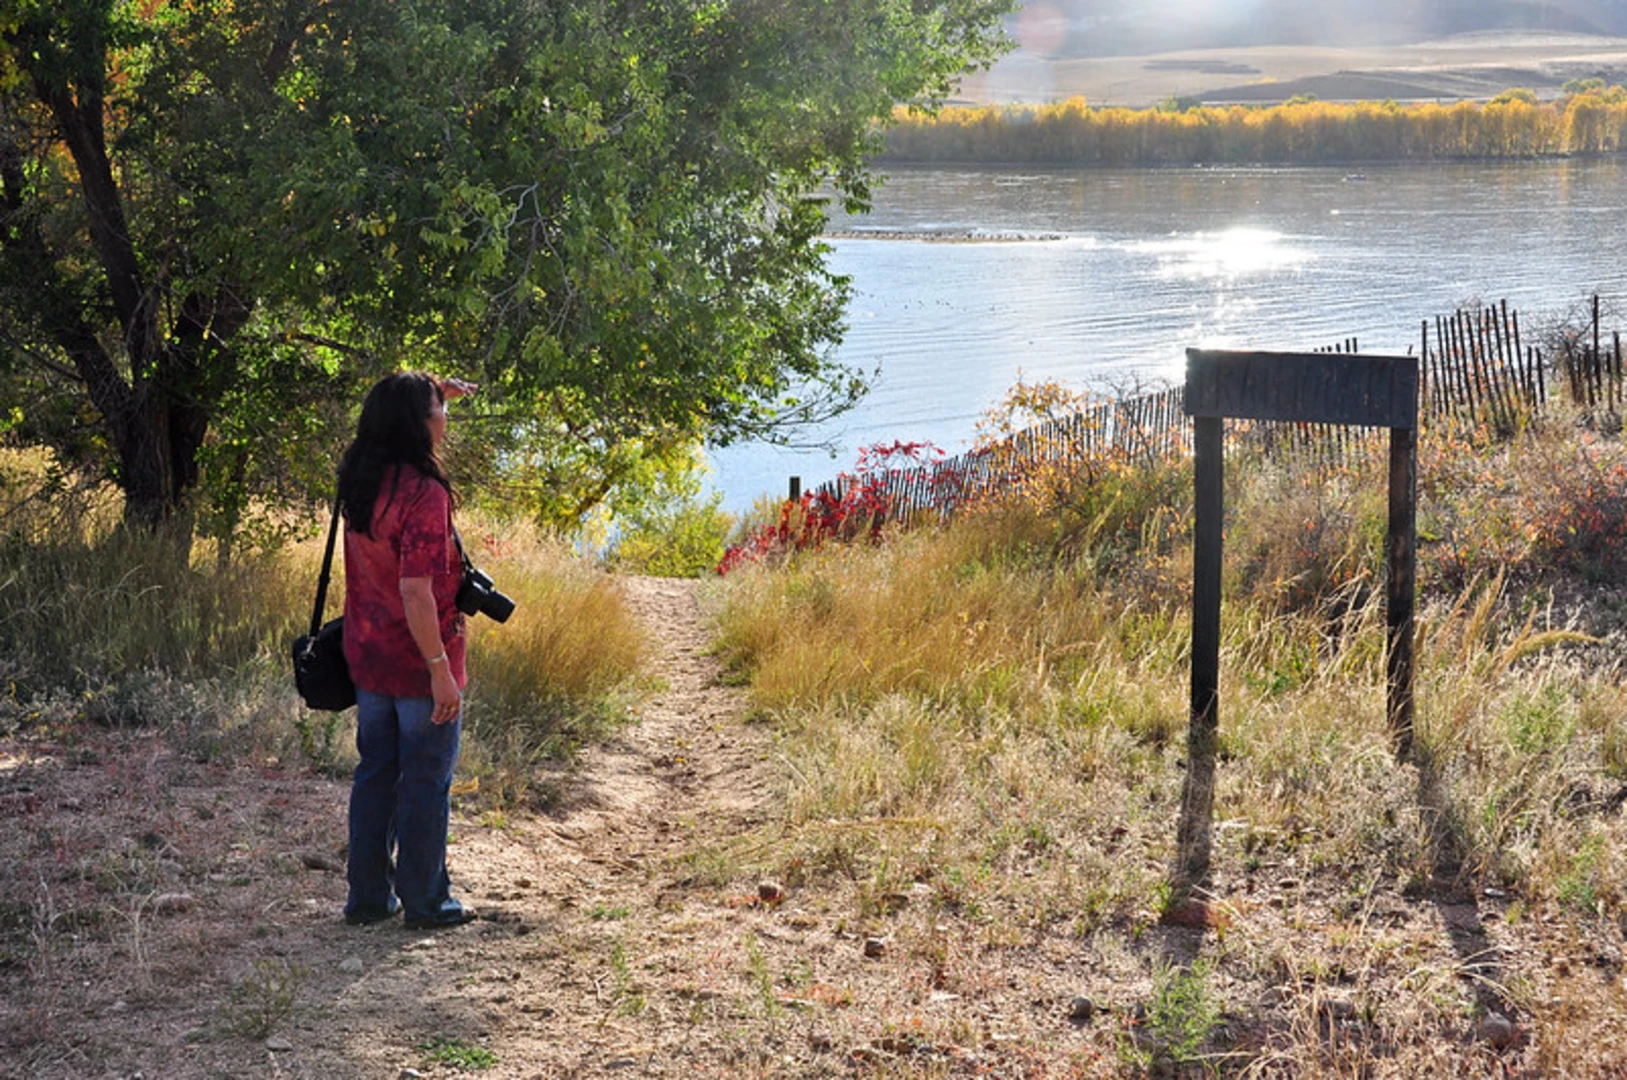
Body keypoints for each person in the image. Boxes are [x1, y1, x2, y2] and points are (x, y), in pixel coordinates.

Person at [336, 371, 478, 930]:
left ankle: (368, 898)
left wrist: (437, 390)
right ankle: (426, 901)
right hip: (419, 663)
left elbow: (400, 407)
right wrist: (440, 669)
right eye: (437, 411)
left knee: (377, 774)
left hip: (368, 657)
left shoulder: (361, 479)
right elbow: (416, 589)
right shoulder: (425, 493)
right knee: (424, 781)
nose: (445, 419)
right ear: (419, 426)